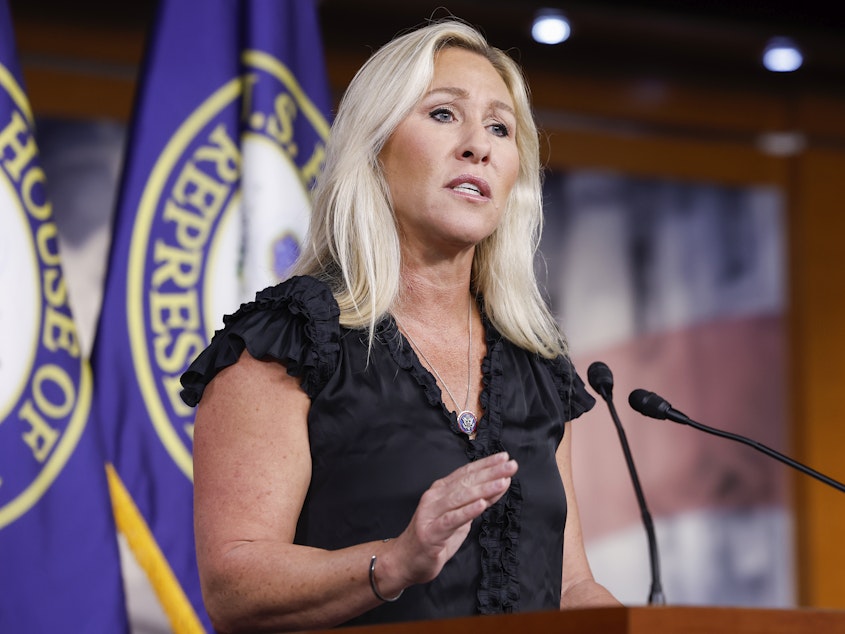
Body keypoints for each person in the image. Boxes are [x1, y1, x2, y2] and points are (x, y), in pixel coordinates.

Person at [180, 17, 620, 633]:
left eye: (500, 127)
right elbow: (235, 585)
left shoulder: (538, 364)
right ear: (375, 143)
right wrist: (394, 562)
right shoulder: (292, 339)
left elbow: (569, 584)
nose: (479, 145)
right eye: (444, 114)